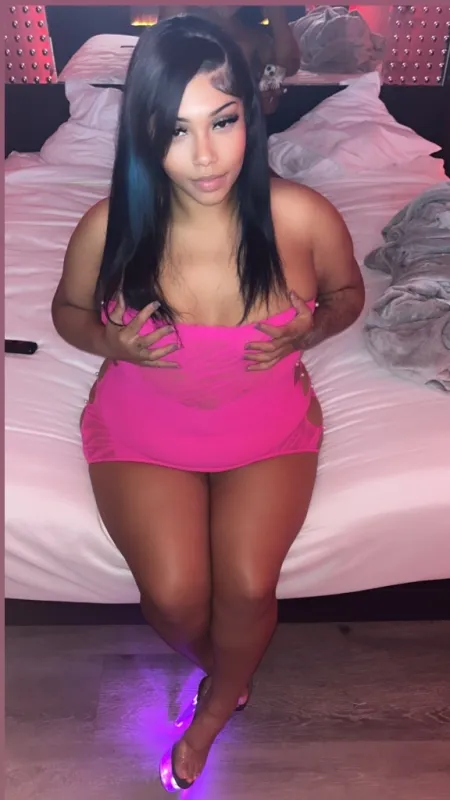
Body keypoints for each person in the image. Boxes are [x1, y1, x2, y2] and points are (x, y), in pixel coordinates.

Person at [52, 15, 365, 793]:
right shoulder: (109, 225)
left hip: (267, 426)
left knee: (250, 587)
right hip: (142, 428)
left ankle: (219, 704)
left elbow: (348, 296)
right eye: (176, 129)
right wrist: (113, 342)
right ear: (143, 132)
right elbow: (68, 313)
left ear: (250, 114)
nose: (204, 156)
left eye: (222, 121)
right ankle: (227, 663)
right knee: (173, 596)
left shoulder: (303, 216)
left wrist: (312, 328)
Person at [157, 5, 300, 113]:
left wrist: (265, 91)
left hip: (239, 122)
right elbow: (161, 57)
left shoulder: (258, 39)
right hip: (191, 115)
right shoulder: (183, 13)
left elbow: (285, 65)